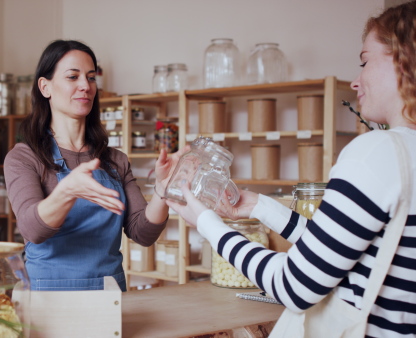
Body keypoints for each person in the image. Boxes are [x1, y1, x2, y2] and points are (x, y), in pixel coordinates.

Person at [167, 2, 416, 337]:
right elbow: (337, 248)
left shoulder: (379, 151)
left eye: (365, 61)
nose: (356, 81)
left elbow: (295, 286)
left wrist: (207, 224)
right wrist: (258, 206)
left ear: (404, 58)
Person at [4, 40, 183, 292]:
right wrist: (68, 190)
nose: (84, 86)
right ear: (45, 87)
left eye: (90, 78)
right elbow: (32, 229)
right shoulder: (24, 157)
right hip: (47, 297)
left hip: (109, 295)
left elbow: (143, 233)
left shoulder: (114, 160)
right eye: (72, 76)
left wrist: (164, 189)